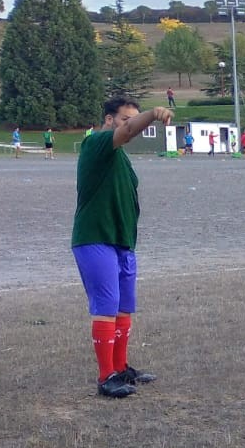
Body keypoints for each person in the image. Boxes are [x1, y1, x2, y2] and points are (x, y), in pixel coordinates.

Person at [72, 96, 173, 398]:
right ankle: (106, 378)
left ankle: (120, 368)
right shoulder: (97, 143)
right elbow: (127, 133)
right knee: (105, 306)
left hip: (122, 242)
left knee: (124, 306)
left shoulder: (121, 157)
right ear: (108, 120)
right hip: (95, 237)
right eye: (125, 119)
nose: (131, 126)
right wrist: (153, 114)